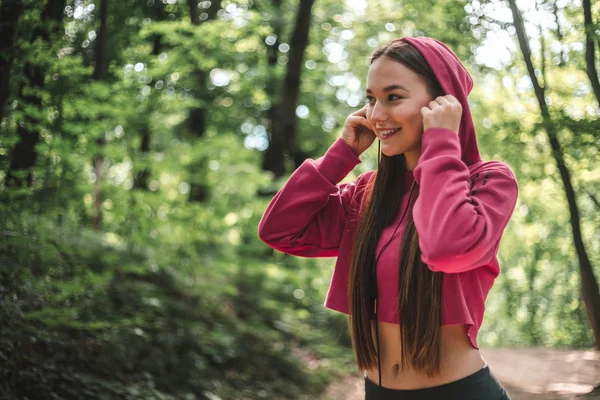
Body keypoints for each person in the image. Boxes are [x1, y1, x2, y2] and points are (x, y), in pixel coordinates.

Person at [258, 36, 518, 400]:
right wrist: (341, 154)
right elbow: (279, 231)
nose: (376, 115)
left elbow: (446, 248)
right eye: (371, 99)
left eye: (393, 97)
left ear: (443, 103)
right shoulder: (367, 194)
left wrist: (442, 142)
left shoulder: (487, 181)